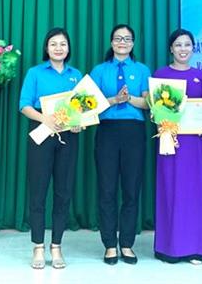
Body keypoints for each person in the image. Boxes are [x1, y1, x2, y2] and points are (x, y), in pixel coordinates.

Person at [152, 29, 202, 264]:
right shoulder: (161, 74)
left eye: (187, 45)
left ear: (193, 48)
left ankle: (199, 247)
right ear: (171, 49)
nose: (183, 49)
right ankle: (170, 247)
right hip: (170, 142)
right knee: (171, 190)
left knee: (196, 192)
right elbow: (155, 109)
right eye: (178, 45)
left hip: (196, 144)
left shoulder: (201, 76)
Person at [19, 27, 82, 269]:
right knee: (38, 192)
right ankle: (38, 246)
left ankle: (56, 246)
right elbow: (24, 105)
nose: (58, 48)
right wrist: (44, 119)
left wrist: (79, 124)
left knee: (63, 192)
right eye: (53, 44)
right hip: (41, 134)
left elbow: (82, 109)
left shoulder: (76, 75)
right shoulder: (35, 73)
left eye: (63, 44)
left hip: (68, 138)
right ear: (46, 48)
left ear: (68, 48)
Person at [90, 24, 150, 265]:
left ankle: (126, 243)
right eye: (118, 38)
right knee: (107, 189)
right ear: (111, 42)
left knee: (131, 190)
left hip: (134, 132)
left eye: (127, 39)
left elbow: (149, 103)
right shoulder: (99, 70)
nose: (122, 42)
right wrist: (115, 100)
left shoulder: (142, 70)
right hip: (107, 132)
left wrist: (130, 99)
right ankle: (109, 244)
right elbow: (90, 105)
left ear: (133, 43)